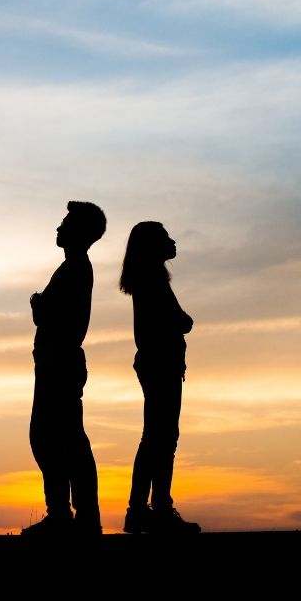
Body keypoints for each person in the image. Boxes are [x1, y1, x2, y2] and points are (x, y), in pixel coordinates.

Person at [22, 201, 106, 538]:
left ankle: (69, 516)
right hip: (56, 362)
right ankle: (70, 515)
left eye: (66, 223)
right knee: (57, 438)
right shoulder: (72, 268)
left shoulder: (75, 269)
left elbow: (47, 313)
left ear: (81, 232)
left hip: (60, 363)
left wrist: (38, 303)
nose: (59, 228)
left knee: (56, 438)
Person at [119, 221, 200, 534]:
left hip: (157, 364)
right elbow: (180, 320)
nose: (172, 241)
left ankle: (144, 509)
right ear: (153, 246)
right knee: (161, 438)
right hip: (160, 364)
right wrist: (183, 320)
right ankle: (155, 509)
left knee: (158, 437)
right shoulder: (152, 280)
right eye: (165, 237)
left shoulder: (149, 279)